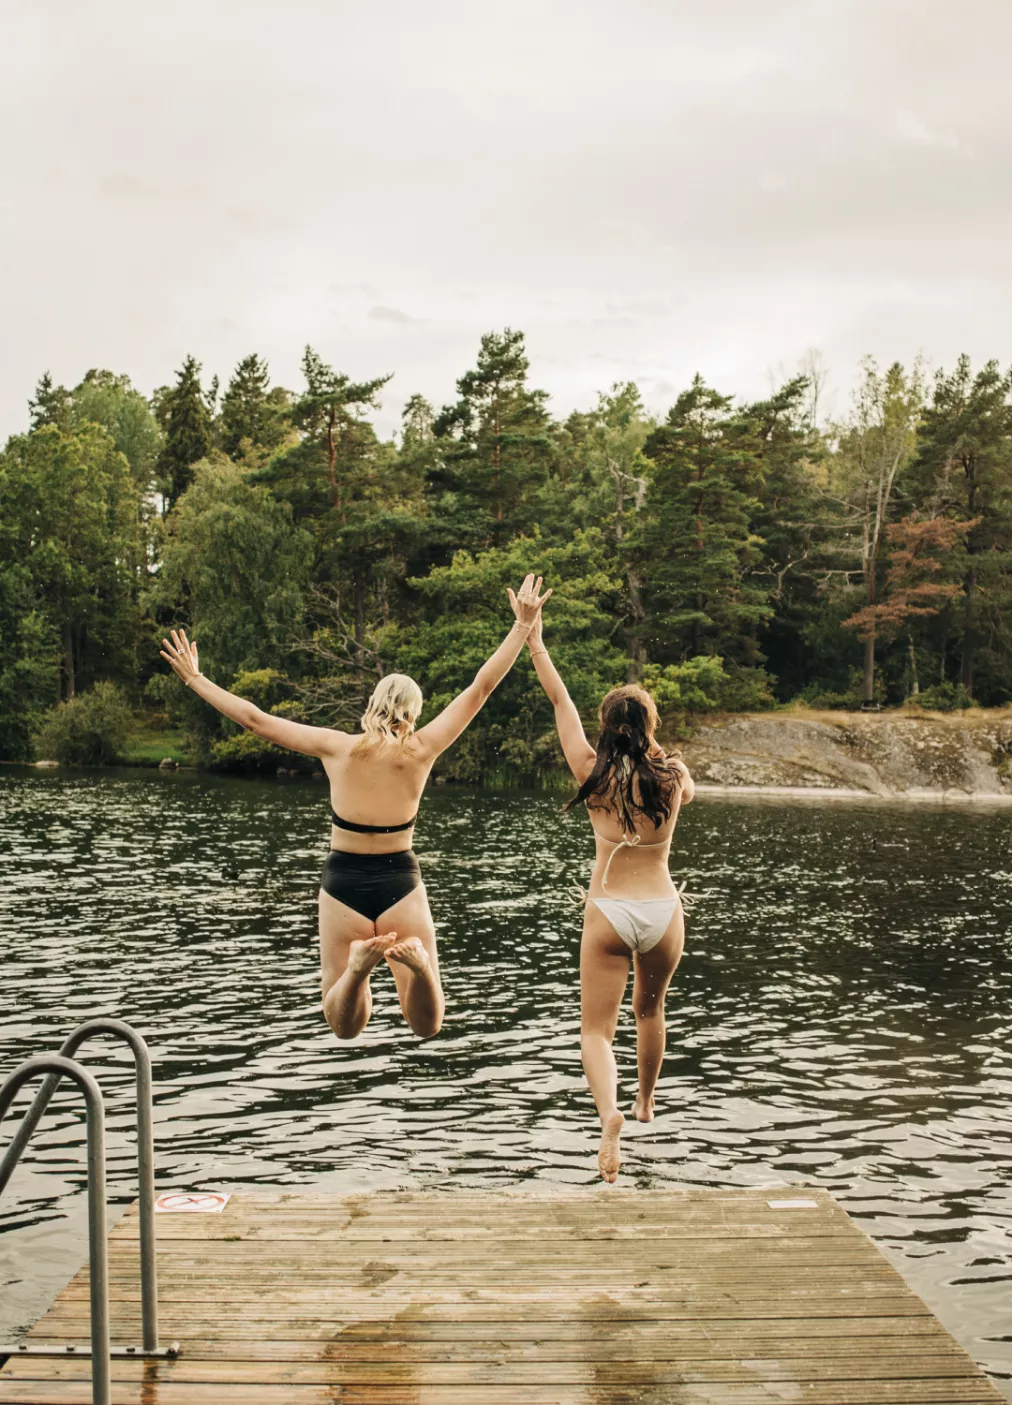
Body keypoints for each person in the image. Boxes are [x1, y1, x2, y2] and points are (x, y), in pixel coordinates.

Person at [160, 573, 552, 1042]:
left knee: (343, 1025)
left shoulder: (337, 748)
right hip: (399, 880)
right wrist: (522, 626)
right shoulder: (423, 749)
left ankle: (357, 971)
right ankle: (421, 970)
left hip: (343, 880)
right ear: (414, 713)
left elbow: (255, 719)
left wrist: (196, 679)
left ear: (372, 704)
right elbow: (481, 687)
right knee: (428, 1026)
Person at [521, 606, 694, 1183]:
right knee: (651, 1010)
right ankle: (645, 1101)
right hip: (663, 911)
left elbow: (559, 702)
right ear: (649, 727)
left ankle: (609, 1114)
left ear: (605, 726)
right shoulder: (673, 776)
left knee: (596, 1031)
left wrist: (536, 641)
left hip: (608, 913)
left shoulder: (590, 773)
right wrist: (653, 743)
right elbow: (684, 788)